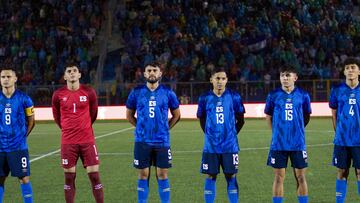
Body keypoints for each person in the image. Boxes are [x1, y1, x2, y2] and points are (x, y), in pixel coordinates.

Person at [126, 61, 181, 203]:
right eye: (149, 70)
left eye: (154, 70)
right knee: (143, 174)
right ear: (144, 74)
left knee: (162, 174)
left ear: (160, 74)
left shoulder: (168, 93)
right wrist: (140, 128)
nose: (152, 73)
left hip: (162, 141)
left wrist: (165, 128)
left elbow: (177, 115)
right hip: (142, 141)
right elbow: (129, 115)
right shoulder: (136, 92)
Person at [52, 62, 103, 203]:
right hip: (68, 142)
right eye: (69, 71)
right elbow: (57, 117)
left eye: (75, 70)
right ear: (65, 76)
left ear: (79, 74)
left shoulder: (89, 92)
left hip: (87, 140)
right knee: (69, 177)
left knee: (94, 176)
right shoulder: (58, 95)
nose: (72, 73)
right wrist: (68, 129)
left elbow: (93, 113)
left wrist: (84, 127)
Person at [197, 67, 245, 203]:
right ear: (211, 80)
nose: (220, 81)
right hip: (211, 146)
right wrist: (209, 135)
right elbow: (201, 118)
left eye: (223, 79)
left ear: (227, 80)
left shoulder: (234, 97)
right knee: (211, 176)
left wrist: (231, 134)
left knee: (231, 176)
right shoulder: (204, 98)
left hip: (230, 146)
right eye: (217, 78)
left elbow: (241, 120)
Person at [264, 65, 311, 203]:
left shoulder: (303, 95)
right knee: (279, 177)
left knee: (301, 177)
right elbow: (269, 115)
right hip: (279, 143)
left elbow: (306, 115)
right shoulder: (273, 95)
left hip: (298, 143)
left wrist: (298, 130)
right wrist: (276, 133)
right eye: (282, 75)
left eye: (288, 75)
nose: (285, 78)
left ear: (295, 78)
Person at [0, 67, 35, 203]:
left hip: (18, 148)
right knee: (0, 179)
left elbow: (31, 122)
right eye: (3, 77)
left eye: (9, 77)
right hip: (1, 148)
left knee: (24, 178)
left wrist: (22, 137)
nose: (6, 79)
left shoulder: (24, 99)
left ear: (15, 79)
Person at [329, 57, 360, 203]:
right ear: (344, 71)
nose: (350, 70)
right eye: (347, 68)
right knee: (341, 172)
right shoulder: (337, 90)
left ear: (359, 71)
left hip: (359, 140)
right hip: (342, 140)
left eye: (353, 67)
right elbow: (334, 114)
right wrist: (338, 133)